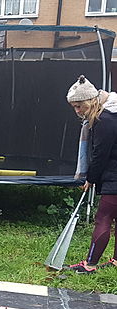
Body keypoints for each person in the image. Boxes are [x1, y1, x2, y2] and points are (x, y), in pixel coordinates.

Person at [66, 75, 117, 274]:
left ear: (90, 101)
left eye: (79, 106)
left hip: (114, 177)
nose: (77, 111)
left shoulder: (105, 120)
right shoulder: (113, 113)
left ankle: (90, 264)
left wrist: (90, 178)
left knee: (103, 218)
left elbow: (100, 153)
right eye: (74, 107)